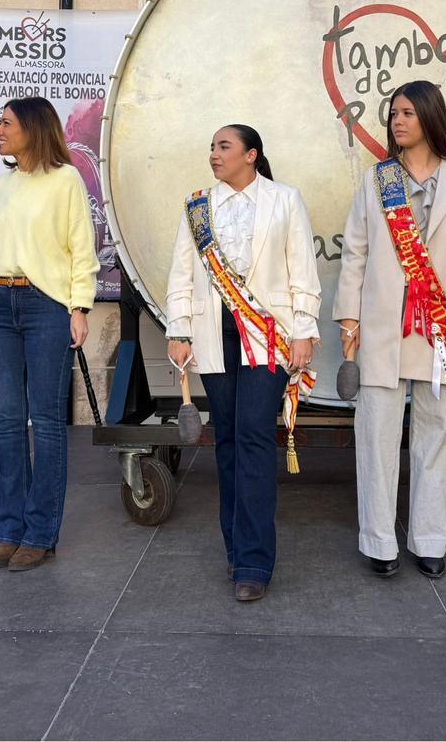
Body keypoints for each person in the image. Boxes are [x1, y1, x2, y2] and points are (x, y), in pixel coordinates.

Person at [333, 80, 446, 580]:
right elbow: (354, 252)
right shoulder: (377, 180)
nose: (397, 121)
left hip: (441, 328)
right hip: (382, 325)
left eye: (406, 112)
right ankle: (380, 540)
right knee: (376, 434)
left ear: (429, 116)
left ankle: (429, 538)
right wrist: (350, 317)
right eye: (393, 113)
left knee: (436, 433)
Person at [165, 124, 321, 602]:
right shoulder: (198, 207)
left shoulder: (284, 200)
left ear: (251, 154)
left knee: (254, 434)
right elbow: (182, 271)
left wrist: (304, 327)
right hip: (214, 335)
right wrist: (178, 329)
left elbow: (302, 268)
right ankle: (236, 549)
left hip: (267, 337)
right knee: (228, 439)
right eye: (211, 146)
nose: (214, 154)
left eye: (224, 146)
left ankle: (254, 561)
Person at [0, 97, 99, 573]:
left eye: (6, 123)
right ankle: (9, 530)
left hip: (46, 304)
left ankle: (41, 532)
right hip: (0, 306)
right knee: (7, 421)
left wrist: (79, 307)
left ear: (32, 128)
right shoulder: (1, 185)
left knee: (46, 422)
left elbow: (79, 246)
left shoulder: (66, 179)